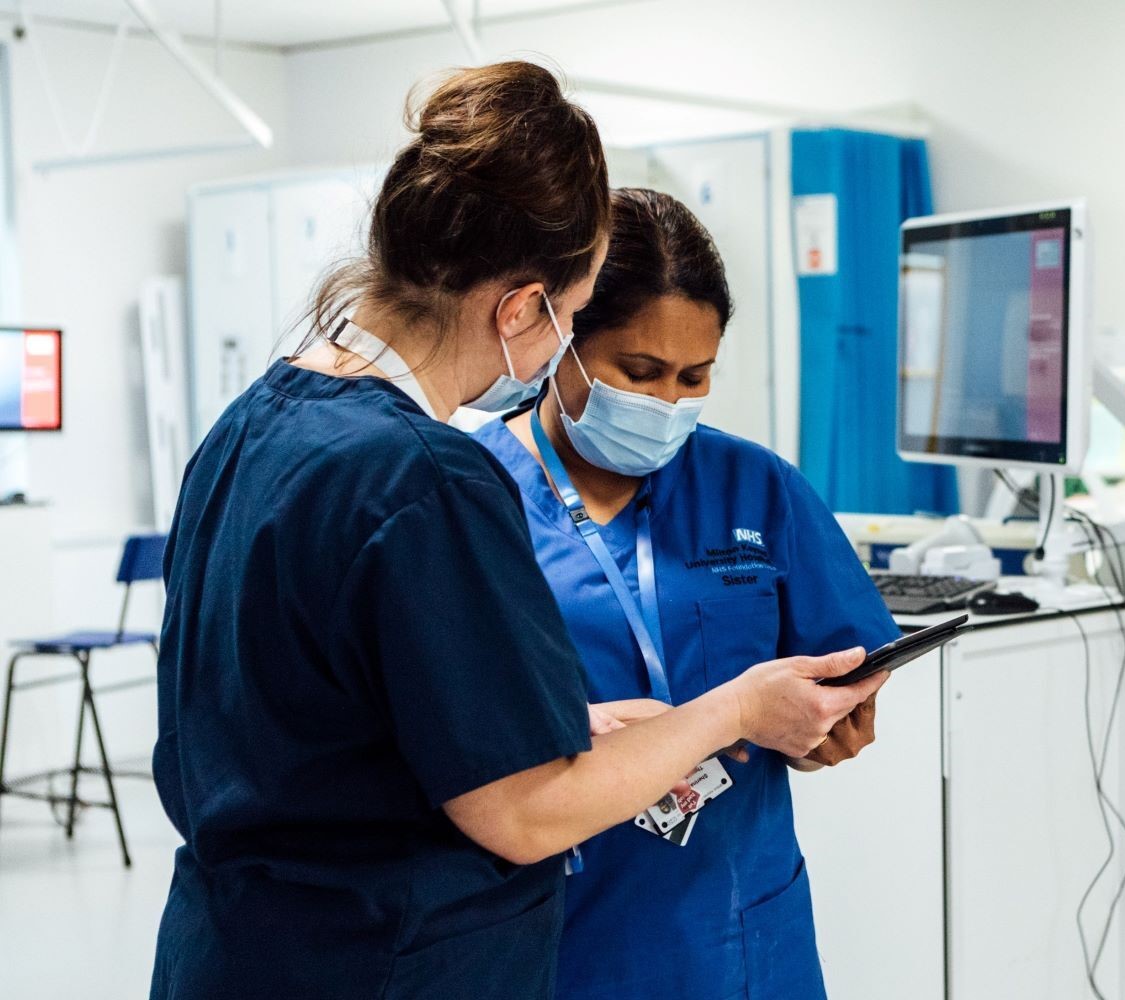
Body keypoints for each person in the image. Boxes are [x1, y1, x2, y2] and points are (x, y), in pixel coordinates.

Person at [149, 63, 883, 1000]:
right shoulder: (426, 476)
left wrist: (566, 723)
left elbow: (316, 724)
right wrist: (734, 709)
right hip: (379, 960)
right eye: (575, 319)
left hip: (243, 950)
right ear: (522, 309)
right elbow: (528, 812)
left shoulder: (257, 423)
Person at [470, 188, 899, 1000]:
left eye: (694, 376)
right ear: (561, 340)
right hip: (555, 932)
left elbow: (843, 667)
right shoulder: (470, 494)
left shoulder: (754, 486)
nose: (668, 403)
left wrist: (826, 728)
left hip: (735, 931)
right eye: (639, 372)